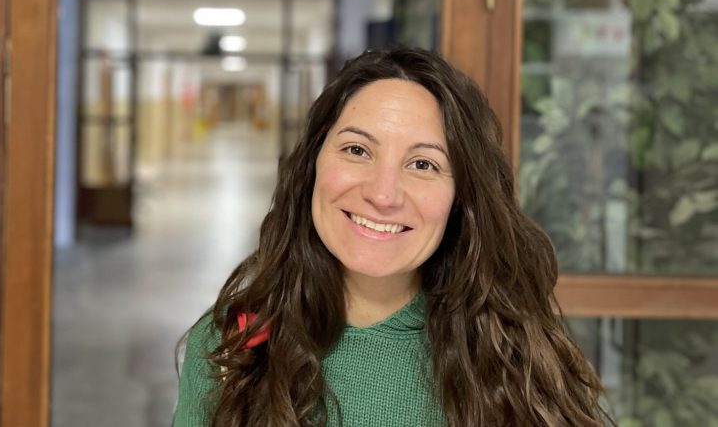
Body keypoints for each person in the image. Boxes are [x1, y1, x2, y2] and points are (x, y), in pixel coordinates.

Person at [173, 46, 610, 427]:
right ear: (312, 165)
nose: (383, 195)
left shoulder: (517, 356)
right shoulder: (233, 343)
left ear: (461, 197)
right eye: (357, 150)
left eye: (423, 164)